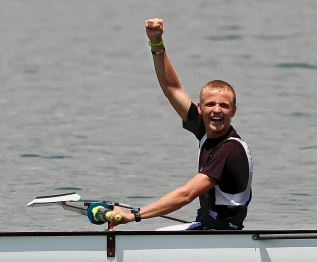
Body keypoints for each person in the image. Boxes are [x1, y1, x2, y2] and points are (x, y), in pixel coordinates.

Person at [108, 18, 252, 229]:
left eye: (224, 106)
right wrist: (156, 43)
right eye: (210, 104)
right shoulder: (205, 129)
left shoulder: (230, 150)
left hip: (222, 235)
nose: (217, 111)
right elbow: (172, 88)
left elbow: (186, 195)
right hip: (205, 227)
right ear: (200, 109)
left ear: (234, 111)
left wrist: (134, 215)